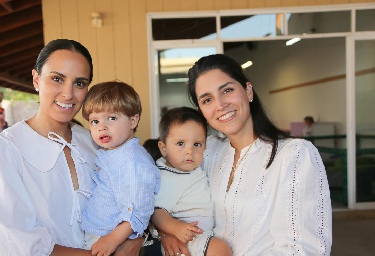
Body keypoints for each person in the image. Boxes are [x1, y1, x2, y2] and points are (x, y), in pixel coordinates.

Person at [0, 39, 143, 256]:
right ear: (36, 79)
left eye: (79, 83)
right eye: (57, 79)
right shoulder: (1, 152)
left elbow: (135, 190)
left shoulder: (95, 141)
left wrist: (136, 237)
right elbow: (16, 245)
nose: (68, 94)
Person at [160, 54, 332, 255]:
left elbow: (304, 250)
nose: (220, 104)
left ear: (248, 91)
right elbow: (166, 192)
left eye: (227, 90)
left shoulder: (293, 155)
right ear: (202, 111)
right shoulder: (207, 152)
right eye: (207, 99)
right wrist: (167, 230)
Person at [80, 81, 160, 256]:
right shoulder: (113, 152)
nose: (102, 126)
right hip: (100, 233)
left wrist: (113, 240)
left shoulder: (133, 160)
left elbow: (139, 209)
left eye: (112, 118)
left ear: (133, 121)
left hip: (111, 238)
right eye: (94, 121)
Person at [152, 107, 232, 256]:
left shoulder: (194, 169)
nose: (189, 151)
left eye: (197, 144)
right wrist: (175, 227)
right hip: (184, 239)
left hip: (201, 235)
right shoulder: (166, 176)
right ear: (163, 148)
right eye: (181, 144)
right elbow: (156, 211)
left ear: (205, 147)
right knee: (221, 250)